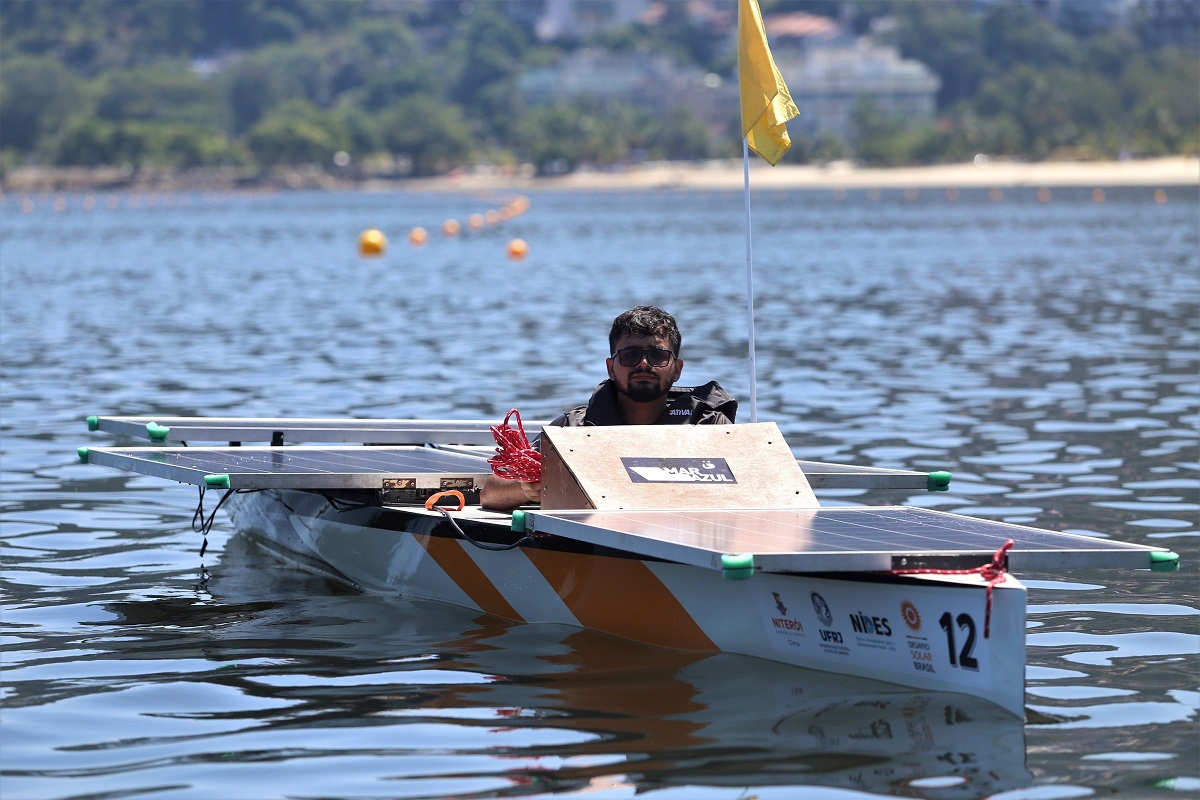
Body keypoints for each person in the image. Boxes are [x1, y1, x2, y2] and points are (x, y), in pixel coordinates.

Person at [480, 306, 737, 511]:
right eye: (630, 355)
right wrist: (526, 489)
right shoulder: (574, 429)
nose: (644, 364)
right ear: (611, 368)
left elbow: (759, 482)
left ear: (677, 370)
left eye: (658, 356)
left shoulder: (710, 427)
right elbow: (491, 491)